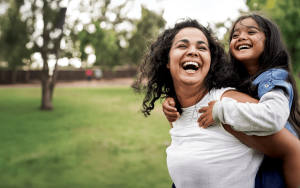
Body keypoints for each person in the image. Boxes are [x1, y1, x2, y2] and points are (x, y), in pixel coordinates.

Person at [134, 19, 300, 188]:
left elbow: (294, 150)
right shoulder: (176, 110)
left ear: (210, 61)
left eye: (201, 47)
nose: (192, 51)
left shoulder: (226, 104)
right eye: (182, 46)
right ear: (167, 61)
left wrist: (221, 111)